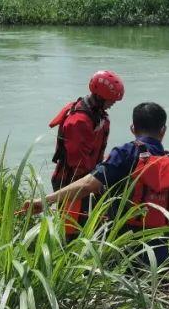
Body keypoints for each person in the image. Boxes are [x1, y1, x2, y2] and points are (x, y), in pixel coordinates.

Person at [31, 102, 169, 264]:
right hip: (159, 258)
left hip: (121, 250)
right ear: (163, 130)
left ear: (133, 128)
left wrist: (47, 200)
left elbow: (88, 185)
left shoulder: (124, 154)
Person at [47, 70, 124, 232]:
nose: (113, 103)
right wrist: (98, 180)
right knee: (72, 231)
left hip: (87, 180)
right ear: (101, 96)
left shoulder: (97, 115)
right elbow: (79, 163)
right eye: (111, 100)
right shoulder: (79, 121)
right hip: (72, 182)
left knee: (92, 225)